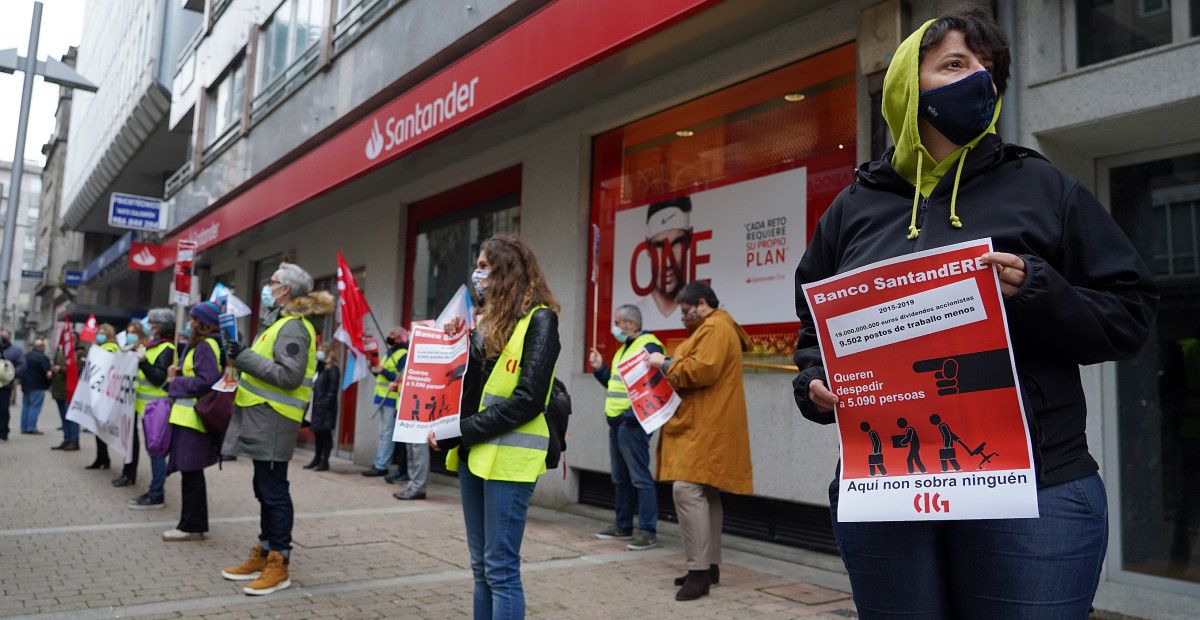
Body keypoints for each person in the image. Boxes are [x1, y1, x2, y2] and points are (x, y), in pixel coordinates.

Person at [791, 7, 1157, 618]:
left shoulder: (1047, 190)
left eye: (989, 69)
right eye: (955, 64)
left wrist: (1040, 289)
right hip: (888, 492)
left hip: (1034, 494)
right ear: (909, 83)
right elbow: (814, 330)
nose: (978, 79)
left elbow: (1129, 316)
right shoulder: (852, 207)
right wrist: (812, 384)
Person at [430, 234, 561, 619]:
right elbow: (470, 390)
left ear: (506, 271)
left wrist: (459, 433)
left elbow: (528, 400)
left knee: (501, 571)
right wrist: (459, 342)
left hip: (510, 459)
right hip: (474, 455)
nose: (477, 275)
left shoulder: (541, 320)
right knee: (481, 570)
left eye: (485, 267)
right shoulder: (485, 322)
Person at [220, 262, 332, 596]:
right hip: (262, 418)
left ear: (287, 290)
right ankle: (266, 550)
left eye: (274, 282)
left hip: (274, 419)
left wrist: (243, 357)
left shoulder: (294, 327)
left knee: (273, 492)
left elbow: (289, 376)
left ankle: (278, 563)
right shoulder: (278, 323)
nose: (267, 286)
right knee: (264, 487)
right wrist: (240, 356)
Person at [646, 281, 753, 601]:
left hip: (705, 424)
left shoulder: (716, 327)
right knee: (706, 491)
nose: (682, 316)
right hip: (708, 422)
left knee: (687, 489)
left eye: (685, 309)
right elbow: (699, 366)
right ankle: (709, 566)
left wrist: (663, 364)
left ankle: (699, 572)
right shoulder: (714, 327)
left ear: (702, 303)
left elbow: (699, 371)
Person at [587, 304, 664, 550]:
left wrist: (633, 415)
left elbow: (655, 383)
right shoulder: (624, 349)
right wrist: (600, 370)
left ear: (631, 324)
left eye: (618, 322)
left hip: (633, 422)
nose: (615, 327)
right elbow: (616, 385)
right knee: (621, 478)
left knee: (640, 478)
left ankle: (648, 531)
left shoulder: (649, 345)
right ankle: (623, 526)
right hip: (617, 421)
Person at [161, 303, 223, 541]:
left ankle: (191, 527)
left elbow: (206, 380)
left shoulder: (207, 346)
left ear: (204, 323)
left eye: (194, 319)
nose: (190, 323)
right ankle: (191, 524)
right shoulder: (201, 345)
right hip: (189, 418)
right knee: (190, 473)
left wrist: (175, 382)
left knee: (191, 473)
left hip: (193, 419)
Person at [129, 309, 177, 509]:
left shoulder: (166, 348)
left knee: (156, 452)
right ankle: (155, 490)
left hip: (157, 408)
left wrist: (143, 362)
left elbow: (157, 378)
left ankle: (156, 494)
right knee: (153, 451)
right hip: (148, 407)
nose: (149, 325)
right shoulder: (153, 346)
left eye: (153, 322)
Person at [361, 327, 408, 481]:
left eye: (393, 334)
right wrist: (374, 369)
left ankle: (382, 466)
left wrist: (383, 371)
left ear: (401, 338)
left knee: (387, 434)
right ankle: (379, 463)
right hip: (382, 397)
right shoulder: (389, 353)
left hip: (392, 399)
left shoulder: (402, 354)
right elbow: (381, 375)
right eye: (389, 333)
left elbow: (401, 377)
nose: (389, 336)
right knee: (383, 434)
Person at [85, 324, 121, 470]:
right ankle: (102, 457)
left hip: (105, 394)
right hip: (99, 393)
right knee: (98, 428)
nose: (99, 334)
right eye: (98, 332)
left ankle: (103, 458)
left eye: (103, 332)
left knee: (101, 428)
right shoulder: (100, 348)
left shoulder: (110, 348)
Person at [305, 343, 339, 472]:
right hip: (316, 405)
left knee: (325, 434)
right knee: (317, 433)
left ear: (328, 352)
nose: (319, 352)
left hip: (325, 407)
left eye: (321, 350)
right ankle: (317, 459)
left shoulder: (333, 369)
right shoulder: (321, 368)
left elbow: (332, 389)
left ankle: (325, 461)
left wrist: (325, 404)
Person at [49, 334, 80, 451]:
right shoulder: (60, 352)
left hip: (70, 391)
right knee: (63, 417)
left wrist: (61, 369)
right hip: (59, 390)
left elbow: (77, 370)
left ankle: (74, 440)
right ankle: (67, 439)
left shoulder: (78, 353)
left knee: (71, 417)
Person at [19, 338, 51, 434]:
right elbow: (48, 373)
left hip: (26, 386)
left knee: (25, 407)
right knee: (35, 407)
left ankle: (24, 427)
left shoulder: (26, 356)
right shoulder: (43, 358)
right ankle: (31, 428)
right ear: (41, 347)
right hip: (38, 386)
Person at [0, 329, 26, 441]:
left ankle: (3, 432)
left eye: (4, 337)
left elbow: (22, 365)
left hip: (5, 385)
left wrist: (10, 373)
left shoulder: (16, 351)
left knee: (3, 410)